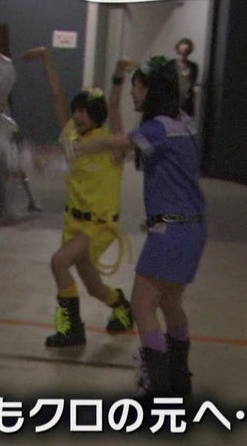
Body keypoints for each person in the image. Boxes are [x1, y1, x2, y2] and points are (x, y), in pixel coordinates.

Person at [64, 56, 207, 399]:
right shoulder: (184, 122)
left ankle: (156, 388)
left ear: (150, 90)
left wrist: (83, 146)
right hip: (191, 228)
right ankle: (179, 382)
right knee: (171, 303)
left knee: (142, 306)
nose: (133, 95)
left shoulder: (158, 129)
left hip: (170, 232)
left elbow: (118, 141)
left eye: (136, 88)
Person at [20, 48, 135, 347]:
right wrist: (46, 59)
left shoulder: (110, 145)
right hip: (74, 223)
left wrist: (118, 76)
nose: (78, 116)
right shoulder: (72, 136)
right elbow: (57, 95)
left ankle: (72, 330)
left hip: (99, 225)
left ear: (96, 113)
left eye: (84, 111)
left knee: (59, 263)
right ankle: (121, 306)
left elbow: (115, 108)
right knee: (94, 286)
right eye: (76, 111)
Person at [0, 22, 41, 218]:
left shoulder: (0, 65)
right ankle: (24, 202)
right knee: (11, 162)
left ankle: (8, 204)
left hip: (2, 119)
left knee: (9, 163)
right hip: (5, 119)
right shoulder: (5, 65)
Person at [168, 38, 199, 117]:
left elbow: (193, 83)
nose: (183, 55)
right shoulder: (170, 65)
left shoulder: (193, 66)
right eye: (181, 52)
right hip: (172, 103)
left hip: (187, 105)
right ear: (177, 50)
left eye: (186, 52)